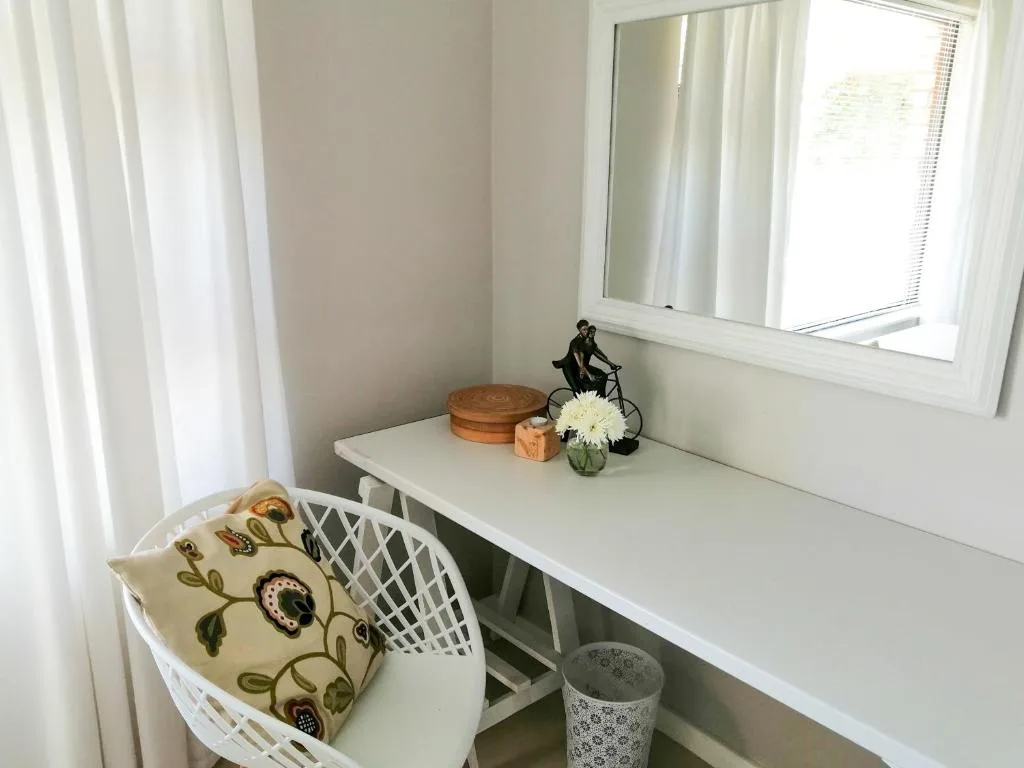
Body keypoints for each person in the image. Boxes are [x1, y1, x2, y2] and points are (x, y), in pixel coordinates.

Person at [552, 320, 619, 396]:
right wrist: (589, 375)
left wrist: (611, 364)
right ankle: (579, 405)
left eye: (587, 329)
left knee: (602, 375)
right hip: (570, 367)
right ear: (579, 330)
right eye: (584, 329)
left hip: (583, 366)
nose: (586, 331)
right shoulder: (575, 342)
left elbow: (596, 352)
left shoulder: (588, 340)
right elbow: (580, 363)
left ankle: (600, 399)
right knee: (577, 390)